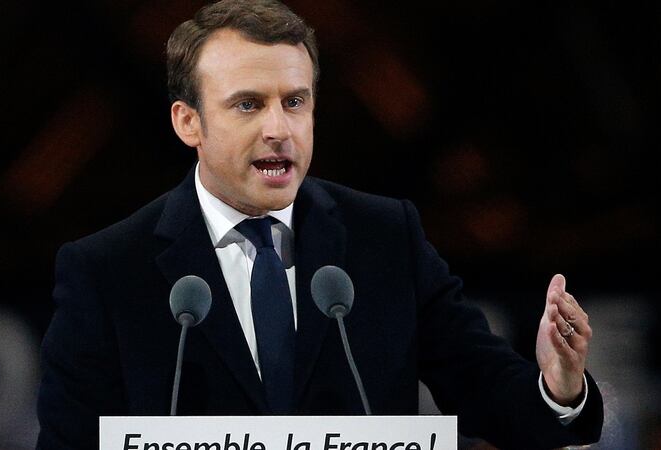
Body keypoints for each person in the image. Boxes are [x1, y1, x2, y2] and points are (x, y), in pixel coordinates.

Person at [36, 1, 604, 449]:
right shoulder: (107, 270)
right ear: (189, 122)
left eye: (296, 102)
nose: (279, 128)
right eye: (248, 104)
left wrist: (558, 387)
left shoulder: (384, 237)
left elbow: (484, 390)